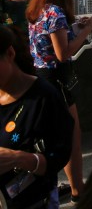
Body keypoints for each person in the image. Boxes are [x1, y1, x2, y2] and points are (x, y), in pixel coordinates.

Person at [26, 0, 92, 202]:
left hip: (40, 77)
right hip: (57, 80)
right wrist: (87, 29)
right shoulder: (55, 12)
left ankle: (68, 187)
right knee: (72, 138)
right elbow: (63, 53)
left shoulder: (38, 9)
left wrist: (75, 27)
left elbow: (49, 42)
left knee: (56, 138)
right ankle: (78, 190)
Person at [0, 26, 73, 209]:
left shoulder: (44, 97)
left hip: (34, 201)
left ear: (10, 53)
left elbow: (60, 154)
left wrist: (20, 158)